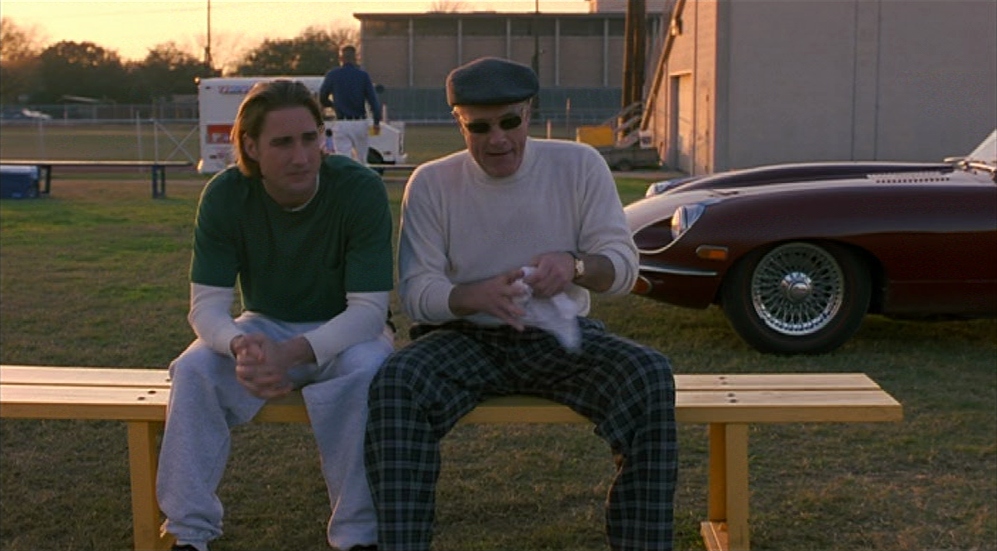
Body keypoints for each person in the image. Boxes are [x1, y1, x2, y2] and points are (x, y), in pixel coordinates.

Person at [364, 57, 678, 551]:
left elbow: (622, 268)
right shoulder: (431, 182)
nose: (498, 140)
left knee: (648, 374)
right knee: (398, 383)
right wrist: (476, 295)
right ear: (459, 123)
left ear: (529, 113)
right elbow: (417, 294)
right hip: (466, 341)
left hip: (558, 337)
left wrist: (573, 267)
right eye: (479, 127)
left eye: (510, 122)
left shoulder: (579, 165)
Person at [157, 79, 394, 551]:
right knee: (194, 369)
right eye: (282, 143)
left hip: (348, 332)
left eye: (310, 138)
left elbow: (369, 313)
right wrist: (239, 345)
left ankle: (358, 538)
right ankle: (188, 534)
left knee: (369, 372)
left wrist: (293, 353)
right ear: (250, 146)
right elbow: (207, 306)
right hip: (264, 323)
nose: (301, 156)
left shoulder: (359, 188)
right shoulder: (226, 195)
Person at [319, 45, 381, 164]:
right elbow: (373, 100)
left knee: (343, 160)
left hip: (342, 122)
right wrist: (376, 121)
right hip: (360, 122)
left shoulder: (333, 75)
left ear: (341, 58)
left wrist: (333, 105)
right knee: (362, 161)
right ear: (355, 58)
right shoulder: (363, 76)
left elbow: (322, 97)